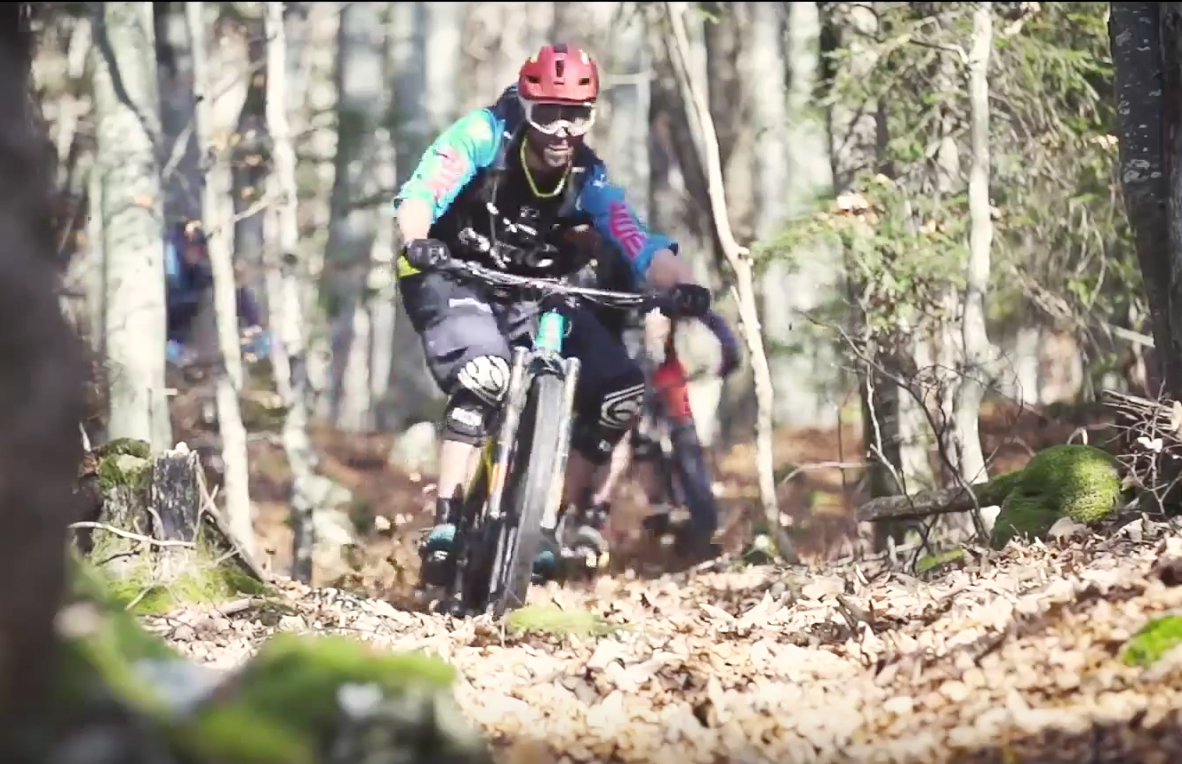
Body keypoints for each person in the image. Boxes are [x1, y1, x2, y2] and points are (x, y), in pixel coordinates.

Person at [392, 43, 713, 588]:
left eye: (577, 116)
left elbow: (638, 240)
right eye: (548, 115)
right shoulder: (481, 136)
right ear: (525, 104)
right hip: (452, 277)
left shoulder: (590, 176)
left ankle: (550, 520)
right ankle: (446, 522)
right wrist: (417, 240)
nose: (563, 130)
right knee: (484, 376)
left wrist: (681, 287)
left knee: (619, 395)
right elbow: (422, 192)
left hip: (531, 292)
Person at [163, 220, 268, 366]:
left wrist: (254, 327)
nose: (201, 255)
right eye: (199, 249)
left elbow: (240, 296)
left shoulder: (206, 270)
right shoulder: (169, 258)